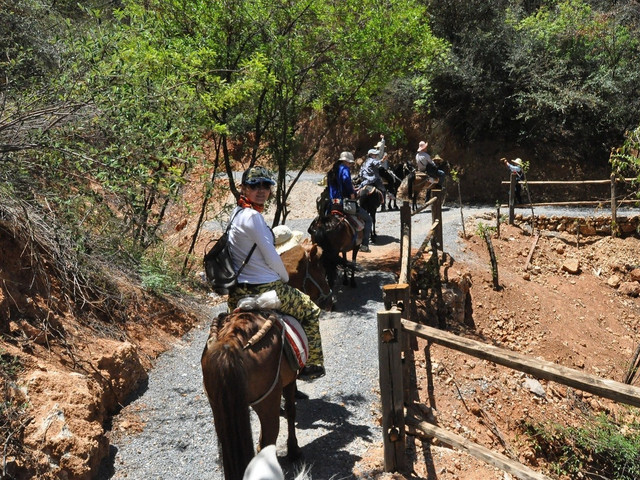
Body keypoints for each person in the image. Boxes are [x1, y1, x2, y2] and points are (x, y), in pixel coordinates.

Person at [227, 165, 325, 379]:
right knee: (310, 311)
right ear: (243, 188)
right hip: (266, 287)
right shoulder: (253, 217)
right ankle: (312, 365)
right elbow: (272, 256)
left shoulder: (236, 214)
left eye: (265, 185)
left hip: (237, 291)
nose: (261, 190)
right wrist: (285, 278)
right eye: (254, 186)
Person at [326, 151, 373, 252]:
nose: (350, 165)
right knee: (368, 219)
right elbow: (346, 180)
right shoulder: (344, 169)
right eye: (350, 163)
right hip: (343, 203)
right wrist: (352, 193)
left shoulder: (331, 170)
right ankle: (364, 245)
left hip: (331, 203)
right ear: (346, 162)